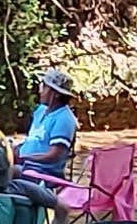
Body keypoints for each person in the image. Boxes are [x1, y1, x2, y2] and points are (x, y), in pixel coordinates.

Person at [11, 68, 83, 209]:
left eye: (44, 87)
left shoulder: (64, 119)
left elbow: (54, 155)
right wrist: (15, 150)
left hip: (44, 172)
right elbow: (33, 139)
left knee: (6, 172)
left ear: (54, 94)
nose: (40, 91)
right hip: (27, 164)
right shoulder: (40, 111)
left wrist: (25, 157)